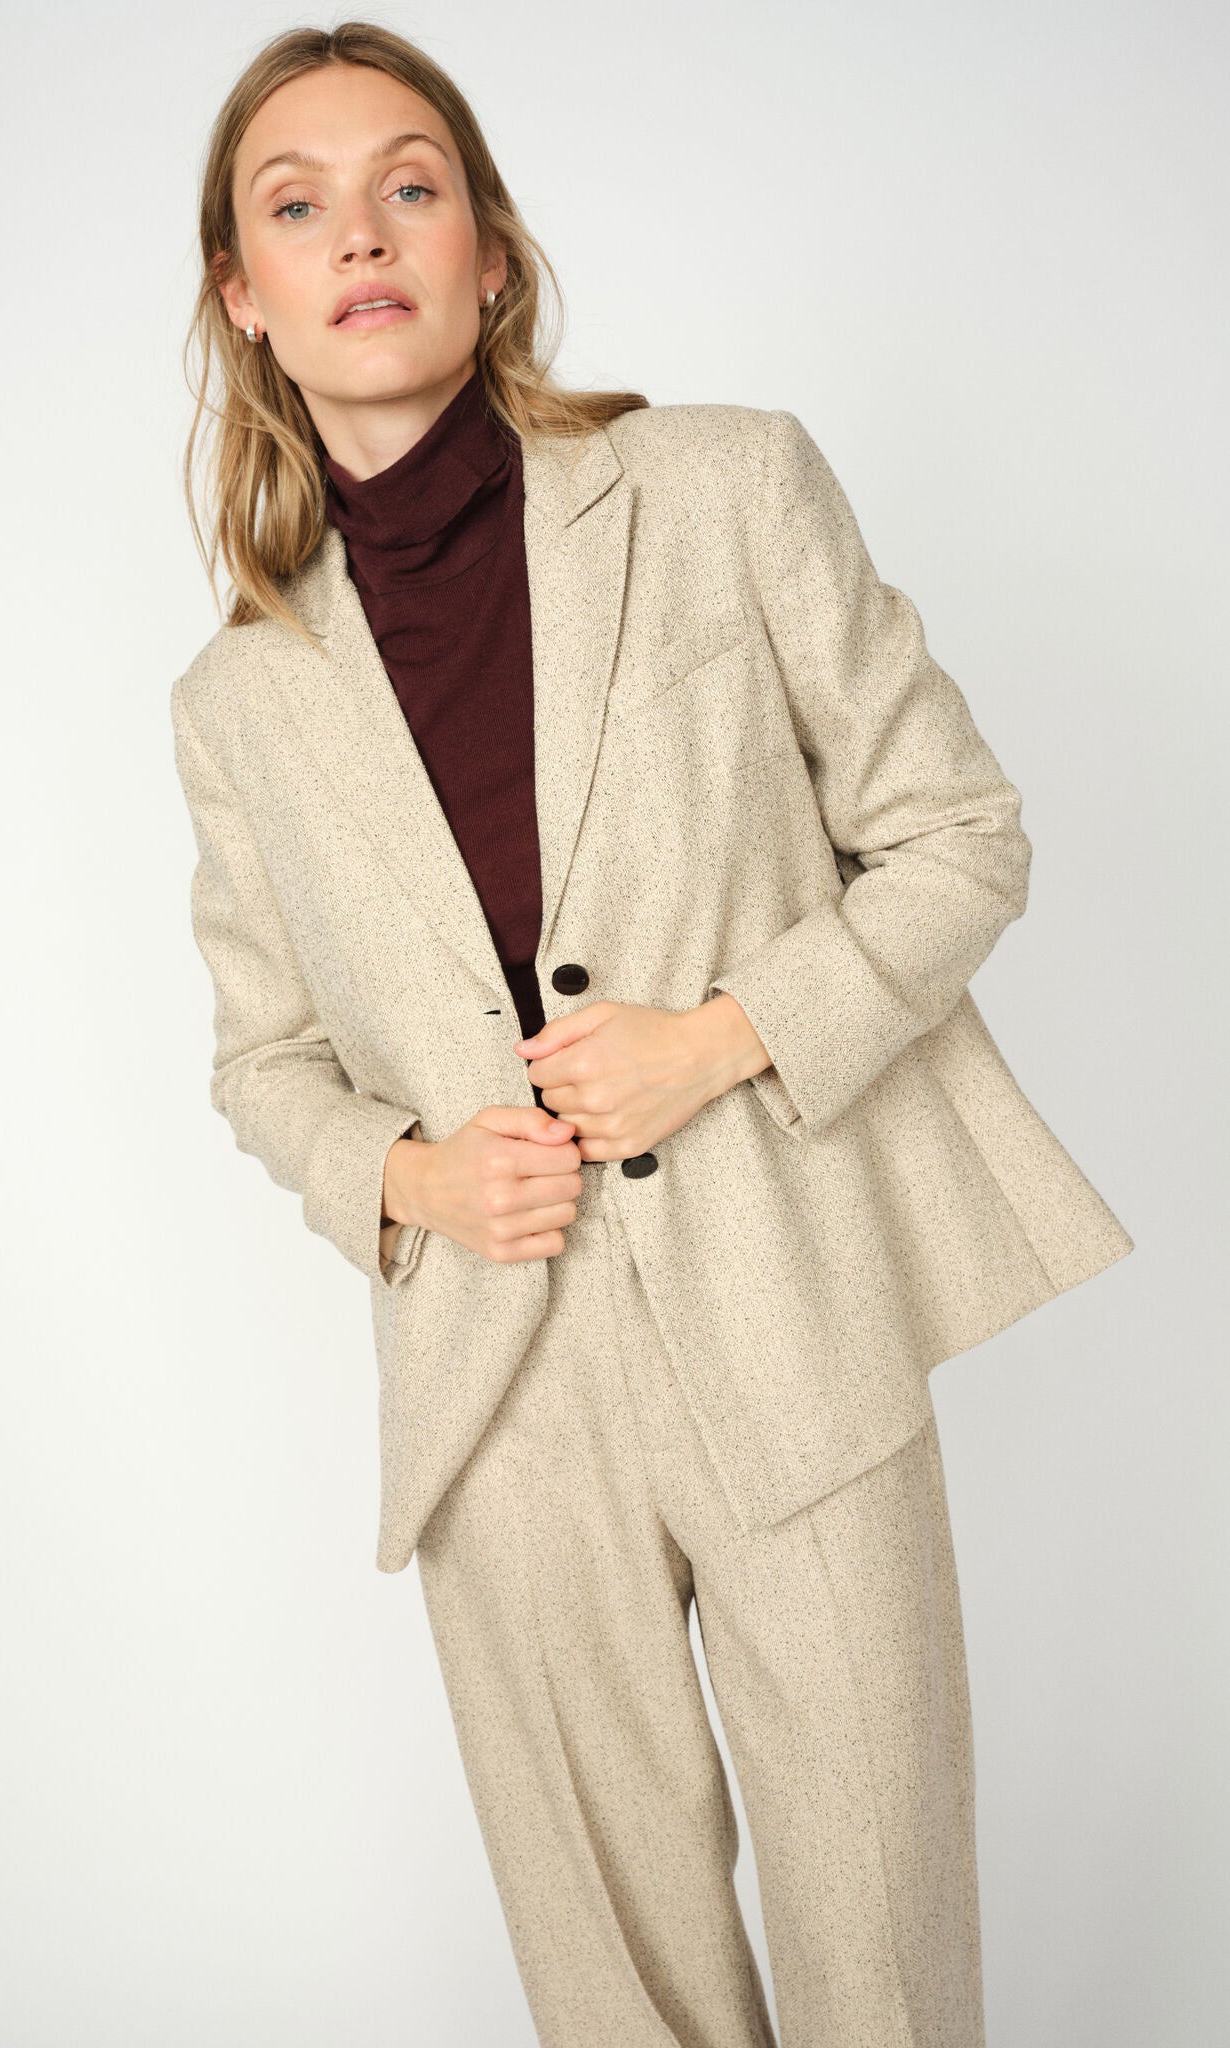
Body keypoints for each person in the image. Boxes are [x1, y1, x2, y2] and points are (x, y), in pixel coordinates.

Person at [169, 22, 1134, 2046]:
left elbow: (959, 836)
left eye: (411, 184)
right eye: (298, 205)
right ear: (245, 298)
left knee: (885, 1945)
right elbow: (263, 1060)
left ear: (491, 248)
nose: (364, 234)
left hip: (790, 1309)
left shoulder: (723, 487)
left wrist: (726, 1035)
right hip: (499, 1390)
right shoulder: (239, 699)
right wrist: (411, 1175)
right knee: (616, 1992)